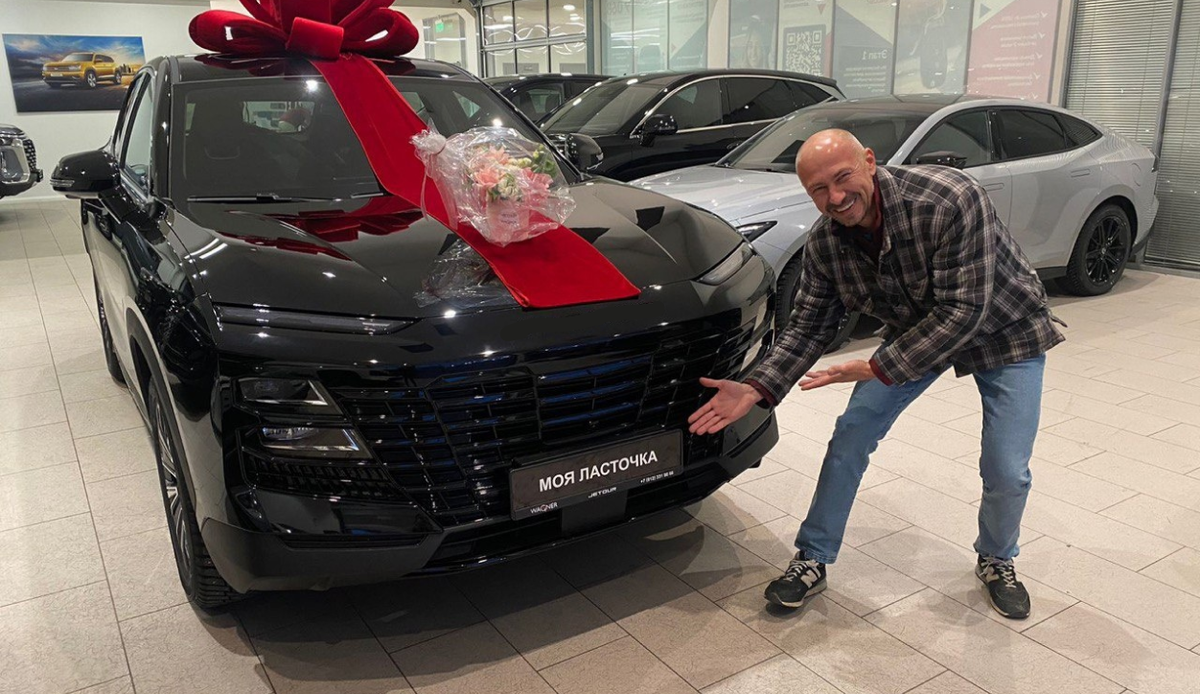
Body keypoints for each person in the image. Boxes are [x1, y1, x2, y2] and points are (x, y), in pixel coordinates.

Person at [688, 129, 1064, 620]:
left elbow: (964, 310)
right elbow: (809, 326)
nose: (835, 198)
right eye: (819, 190)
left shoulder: (949, 198)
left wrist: (875, 366)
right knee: (852, 433)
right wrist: (758, 384)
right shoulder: (826, 243)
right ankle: (812, 558)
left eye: (842, 177)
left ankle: (996, 558)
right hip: (918, 332)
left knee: (1006, 467)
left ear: (869, 161)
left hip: (1004, 327)